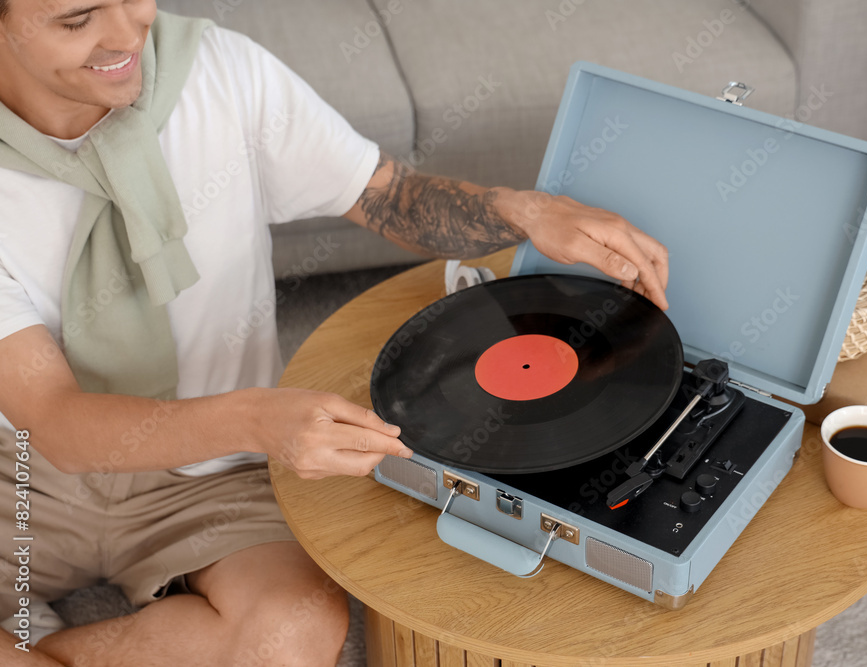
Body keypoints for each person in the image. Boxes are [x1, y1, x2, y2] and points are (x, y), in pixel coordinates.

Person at [0, 1, 669, 665]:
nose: (128, 33)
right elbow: (56, 420)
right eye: (77, 18)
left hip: (211, 472)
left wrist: (526, 211)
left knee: (290, 631)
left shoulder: (221, 70)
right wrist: (261, 419)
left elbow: (386, 194)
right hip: (26, 471)